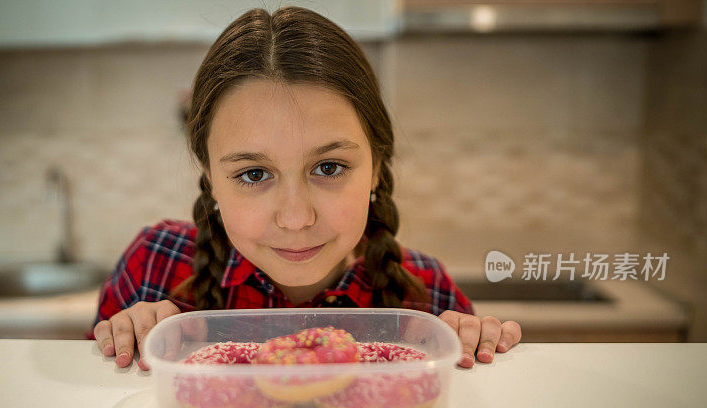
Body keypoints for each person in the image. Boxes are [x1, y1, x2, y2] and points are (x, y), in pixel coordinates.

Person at [88, 6, 521, 371]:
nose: (296, 218)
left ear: (375, 167)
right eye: (254, 174)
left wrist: (476, 342)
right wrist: (126, 335)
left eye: (329, 167)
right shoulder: (154, 269)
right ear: (211, 178)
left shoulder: (426, 294)